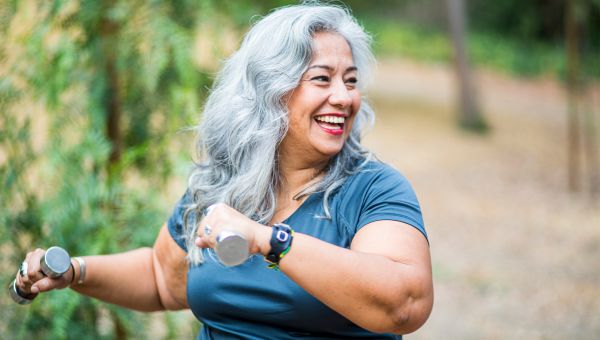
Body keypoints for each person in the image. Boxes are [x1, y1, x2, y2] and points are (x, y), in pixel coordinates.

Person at [13, 2, 433, 339]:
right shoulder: (224, 183)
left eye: (351, 80)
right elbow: (163, 278)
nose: (344, 97)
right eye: (322, 79)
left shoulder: (374, 190)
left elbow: (403, 305)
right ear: (271, 90)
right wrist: (74, 272)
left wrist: (270, 241)